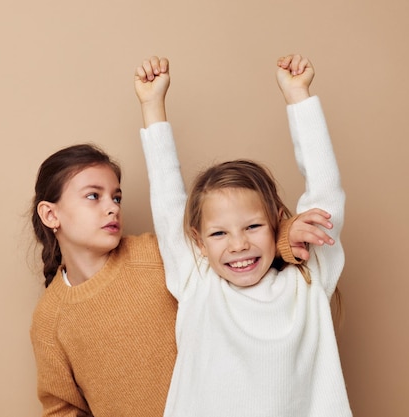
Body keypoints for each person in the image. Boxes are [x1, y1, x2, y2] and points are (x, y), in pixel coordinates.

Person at [28, 133, 331, 413]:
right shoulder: (50, 319)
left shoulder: (155, 254)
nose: (112, 207)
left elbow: (226, 247)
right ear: (50, 214)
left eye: (116, 197)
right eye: (94, 196)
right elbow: (62, 407)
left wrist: (283, 238)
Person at [135, 54, 352, 416]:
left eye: (253, 226)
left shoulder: (308, 280)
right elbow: (168, 201)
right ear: (198, 243)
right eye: (219, 233)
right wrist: (152, 105)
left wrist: (298, 96)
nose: (238, 245)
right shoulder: (196, 281)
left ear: (277, 222)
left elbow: (327, 196)